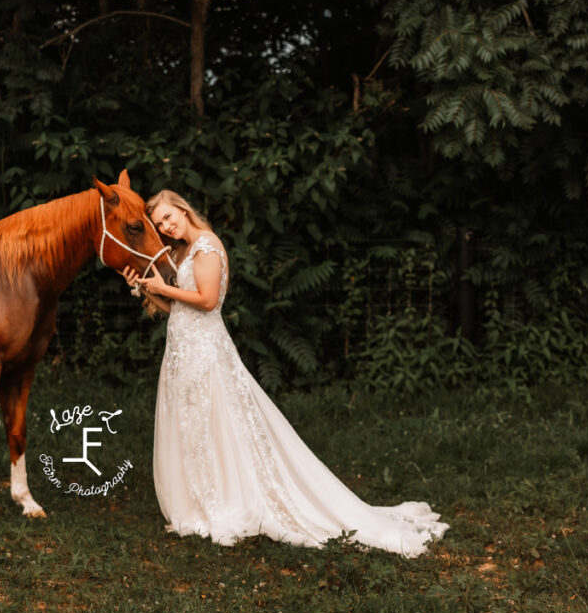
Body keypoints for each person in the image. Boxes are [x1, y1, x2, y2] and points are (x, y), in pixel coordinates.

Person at [121, 189, 448, 556]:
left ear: (183, 210)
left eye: (169, 217)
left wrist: (164, 286)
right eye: (160, 223)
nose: (166, 226)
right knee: (192, 423)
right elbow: (176, 308)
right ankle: (198, 498)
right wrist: (145, 288)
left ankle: (226, 498)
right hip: (182, 348)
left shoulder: (207, 246)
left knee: (214, 421)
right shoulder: (181, 251)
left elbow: (208, 301)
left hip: (205, 351)